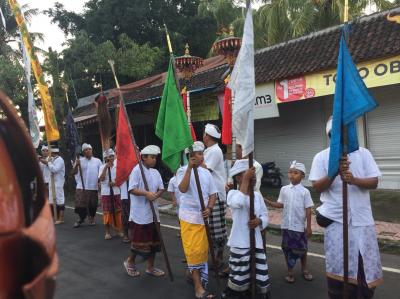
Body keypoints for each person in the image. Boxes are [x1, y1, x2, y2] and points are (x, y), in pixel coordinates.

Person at [309, 117, 383, 299]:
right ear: (330, 135)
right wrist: (334, 172)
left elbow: (374, 182)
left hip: (362, 221)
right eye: (337, 133)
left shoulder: (363, 153)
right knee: (339, 269)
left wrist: (354, 179)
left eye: (346, 131)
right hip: (336, 223)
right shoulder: (321, 157)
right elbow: (317, 186)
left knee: (364, 267)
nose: (342, 136)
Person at [221, 159, 270, 299]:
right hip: (240, 244)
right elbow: (238, 202)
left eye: (253, 175)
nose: (252, 177)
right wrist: (245, 182)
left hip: (256, 242)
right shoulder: (232, 194)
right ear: (238, 177)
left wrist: (259, 221)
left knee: (261, 276)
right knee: (240, 277)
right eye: (247, 174)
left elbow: (265, 216)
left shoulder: (258, 196)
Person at [177, 141, 217, 299]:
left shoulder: (207, 173)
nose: (201, 156)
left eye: (202, 153)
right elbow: (182, 188)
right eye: (198, 153)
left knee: (201, 252)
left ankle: (194, 275)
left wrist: (210, 208)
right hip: (188, 217)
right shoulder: (181, 171)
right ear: (190, 156)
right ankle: (198, 287)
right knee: (193, 251)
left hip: (203, 218)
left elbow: (213, 194)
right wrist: (189, 168)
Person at [266, 161, 314, 283]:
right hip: (286, 226)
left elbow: (308, 210)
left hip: (299, 226)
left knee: (302, 249)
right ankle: (290, 271)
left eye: (296, 173)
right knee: (287, 249)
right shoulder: (284, 189)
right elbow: (280, 204)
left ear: (302, 176)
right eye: (290, 172)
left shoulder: (305, 192)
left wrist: (309, 227)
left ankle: (304, 269)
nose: (292, 175)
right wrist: (268, 201)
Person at [123, 145, 165, 278]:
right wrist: (146, 193)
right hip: (140, 214)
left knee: (153, 242)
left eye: (155, 158)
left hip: (153, 214)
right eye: (152, 157)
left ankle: (150, 267)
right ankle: (129, 262)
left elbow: (161, 188)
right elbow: (131, 189)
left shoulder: (155, 172)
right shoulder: (136, 170)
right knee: (138, 243)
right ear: (143, 157)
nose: (154, 160)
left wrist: (156, 195)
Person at [203, 123, 227, 267]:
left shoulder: (214, 151)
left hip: (216, 194)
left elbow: (207, 170)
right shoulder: (210, 150)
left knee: (216, 228)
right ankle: (209, 255)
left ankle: (218, 258)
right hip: (211, 193)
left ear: (207, 136)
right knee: (210, 227)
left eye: (204, 134)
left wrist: (194, 160)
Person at [71, 143, 102, 228]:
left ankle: (91, 218)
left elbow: (101, 173)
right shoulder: (79, 160)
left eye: (89, 149)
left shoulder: (97, 161)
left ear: (92, 150)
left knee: (93, 205)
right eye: (86, 150)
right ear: (83, 152)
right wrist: (76, 165)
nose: (88, 151)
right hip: (81, 186)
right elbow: (73, 173)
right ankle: (81, 219)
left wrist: (100, 182)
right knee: (80, 206)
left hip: (93, 187)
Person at [98, 148, 123, 240]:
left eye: (112, 156)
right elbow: (101, 179)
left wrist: (115, 183)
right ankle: (107, 232)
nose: (110, 158)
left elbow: (121, 179)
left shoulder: (118, 166)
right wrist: (106, 167)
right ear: (105, 158)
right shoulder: (102, 167)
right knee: (107, 213)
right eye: (108, 157)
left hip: (116, 192)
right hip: (106, 193)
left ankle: (119, 230)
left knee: (118, 211)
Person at [41, 145, 65, 224]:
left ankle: (60, 218)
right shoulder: (51, 159)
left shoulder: (59, 160)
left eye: (49, 151)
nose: (47, 152)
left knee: (59, 200)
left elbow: (55, 170)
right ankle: (54, 217)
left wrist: (48, 163)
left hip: (58, 183)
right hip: (51, 182)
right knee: (51, 200)